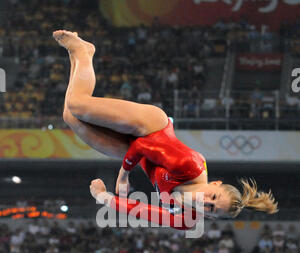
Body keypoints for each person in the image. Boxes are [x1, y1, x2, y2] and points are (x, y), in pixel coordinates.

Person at [53, 30, 278, 231]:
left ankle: (75, 57)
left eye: (211, 209)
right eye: (213, 197)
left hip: (133, 153)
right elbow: (143, 145)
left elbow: (141, 211)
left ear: (209, 216)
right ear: (215, 183)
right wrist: (123, 176)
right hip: (150, 127)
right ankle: (84, 51)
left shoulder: (187, 220)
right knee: (77, 105)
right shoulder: (189, 165)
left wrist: (103, 197)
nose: (205, 202)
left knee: (70, 117)